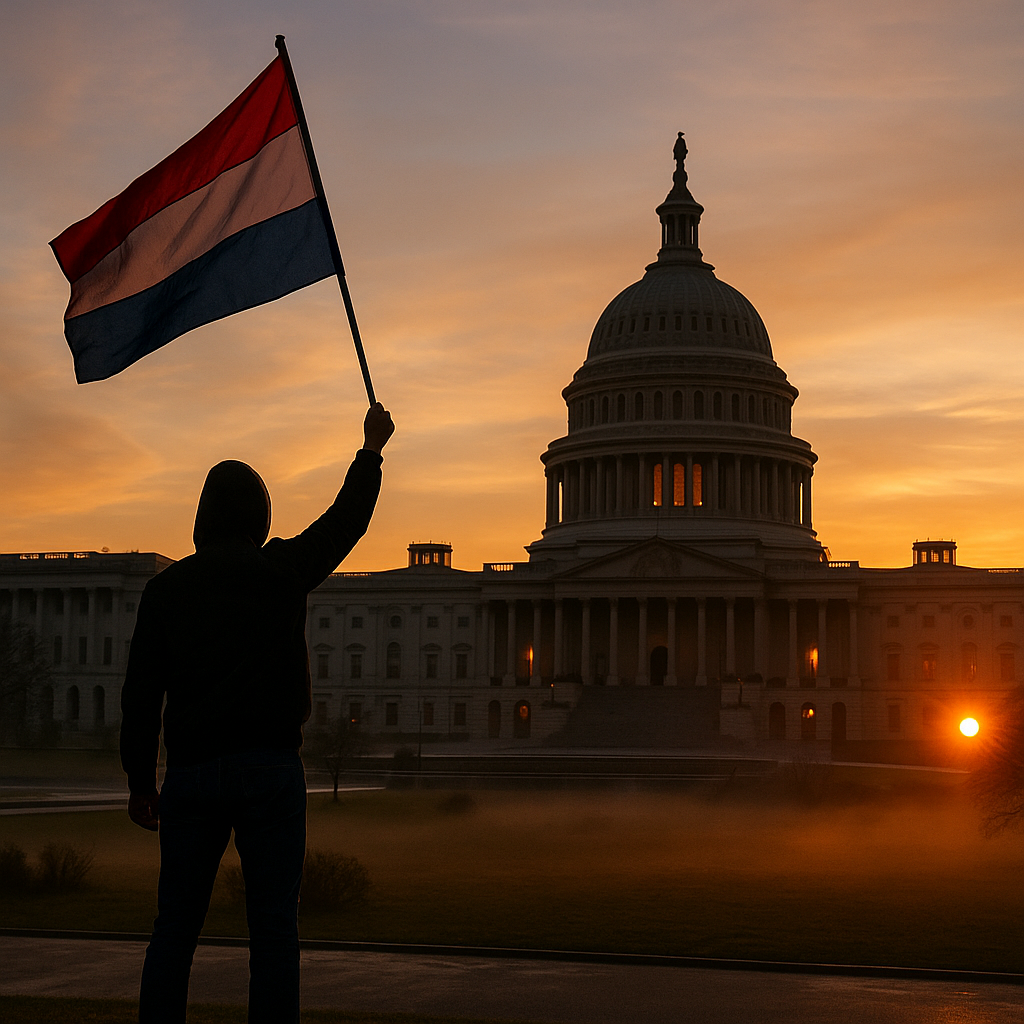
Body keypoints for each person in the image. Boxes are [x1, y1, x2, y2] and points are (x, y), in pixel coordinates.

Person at [120, 402, 395, 1024]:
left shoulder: (168, 591)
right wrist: (370, 452)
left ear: (202, 519)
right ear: (259, 519)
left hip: (192, 773)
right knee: (274, 932)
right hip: (271, 770)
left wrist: (141, 781)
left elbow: (140, 694)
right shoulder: (280, 570)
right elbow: (343, 524)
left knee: (175, 932)